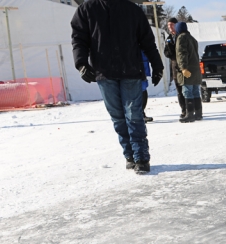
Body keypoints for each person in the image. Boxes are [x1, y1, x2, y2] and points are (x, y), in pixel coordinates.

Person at [71, 0, 163, 174]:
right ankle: (129, 155)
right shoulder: (87, 9)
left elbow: (147, 40)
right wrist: (81, 63)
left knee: (134, 114)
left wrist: (157, 65)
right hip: (104, 72)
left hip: (131, 70)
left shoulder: (131, 9)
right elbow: (79, 38)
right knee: (118, 117)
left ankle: (141, 157)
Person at [175, 21, 203, 122]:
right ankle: (198, 114)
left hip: (188, 69)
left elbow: (182, 53)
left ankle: (190, 114)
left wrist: (183, 68)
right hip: (195, 70)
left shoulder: (181, 37)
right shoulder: (193, 39)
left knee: (187, 92)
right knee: (196, 92)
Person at [164, 17, 187, 118]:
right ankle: (183, 110)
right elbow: (167, 53)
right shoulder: (169, 38)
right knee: (179, 90)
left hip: (184, 66)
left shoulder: (181, 36)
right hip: (174, 66)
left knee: (187, 88)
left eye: (172, 25)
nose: (170, 27)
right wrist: (169, 47)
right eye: (169, 25)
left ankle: (190, 108)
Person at [141, 51, 152, 123]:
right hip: (135, 70)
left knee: (144, 92)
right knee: (140, 93)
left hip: (142, 70)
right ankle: (139, 115)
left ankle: (141, 113)